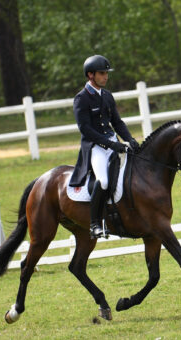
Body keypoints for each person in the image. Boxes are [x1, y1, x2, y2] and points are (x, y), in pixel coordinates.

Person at [69, 55, 140, 239]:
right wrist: (111, 144)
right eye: (102, 73)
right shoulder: (81, 98)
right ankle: (94, 224)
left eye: (106, 73)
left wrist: (129, 139)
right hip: (95, 147)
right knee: (104, 181)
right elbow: (85, 129)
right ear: (90, 75)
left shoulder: (107, 96)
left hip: (113, 142)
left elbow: (117, 122)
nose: (106, 77)